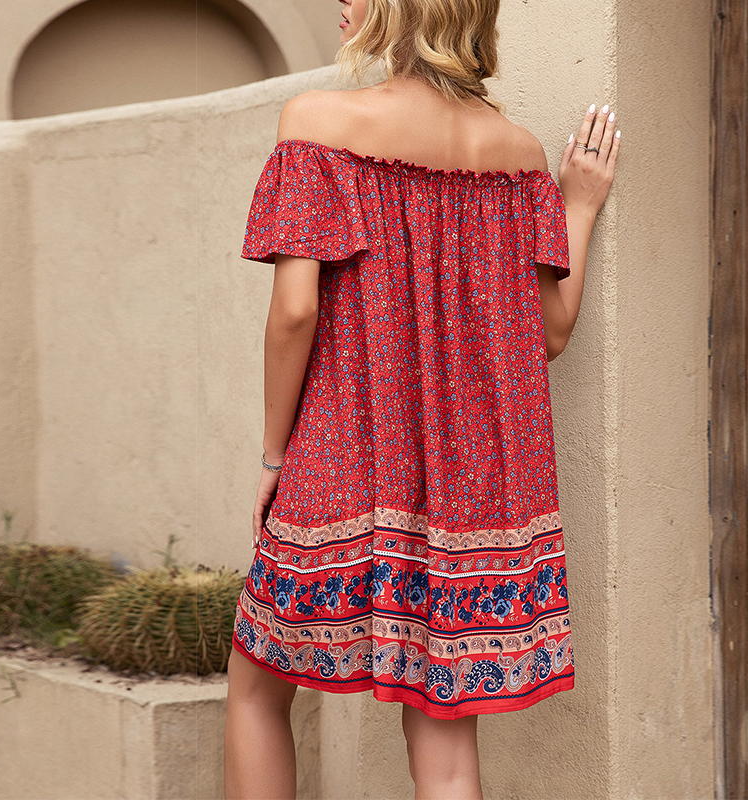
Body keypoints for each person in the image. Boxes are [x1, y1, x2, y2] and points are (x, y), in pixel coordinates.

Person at [224, 0, 620, 797]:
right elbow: (549, 332)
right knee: (446, 750)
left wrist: (273, 454)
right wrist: (578, 204)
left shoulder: (318, 124)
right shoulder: (517, 155)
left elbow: (295, 311)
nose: (342, 1)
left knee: (257, 688)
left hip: (345, 461)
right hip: (469, 499)